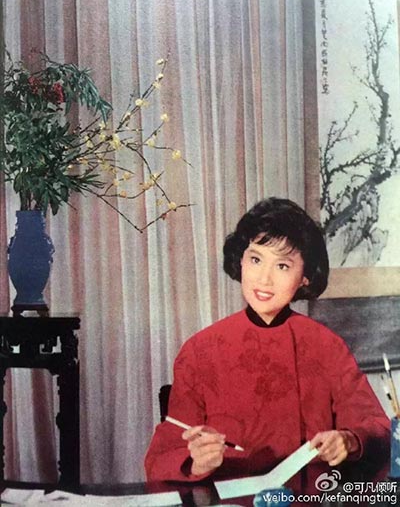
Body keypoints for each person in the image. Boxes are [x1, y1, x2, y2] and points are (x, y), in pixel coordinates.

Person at [145, 198, 390, 484]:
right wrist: (196, 462)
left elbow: (377, 428)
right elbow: (162, 456)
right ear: (240, 260)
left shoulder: (327, 346)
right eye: (256, 259)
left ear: (305, 277)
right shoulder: (200, 350)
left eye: (282, 266)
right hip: (230, 499)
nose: (264, 279)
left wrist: (348, 440)